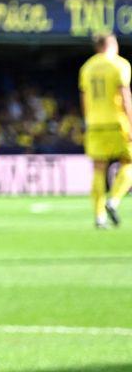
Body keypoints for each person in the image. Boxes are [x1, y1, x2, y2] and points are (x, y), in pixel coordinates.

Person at [79, 34, 132, 228]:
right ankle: (114, 200)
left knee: (98, 169)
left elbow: (84, 99)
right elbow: (125, 96)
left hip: (94, 124)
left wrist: (87, 123)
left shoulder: (87, 67)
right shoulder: (120, 65)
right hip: (117, 123)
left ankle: (99, 216)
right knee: (129, 162)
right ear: (112, 44)